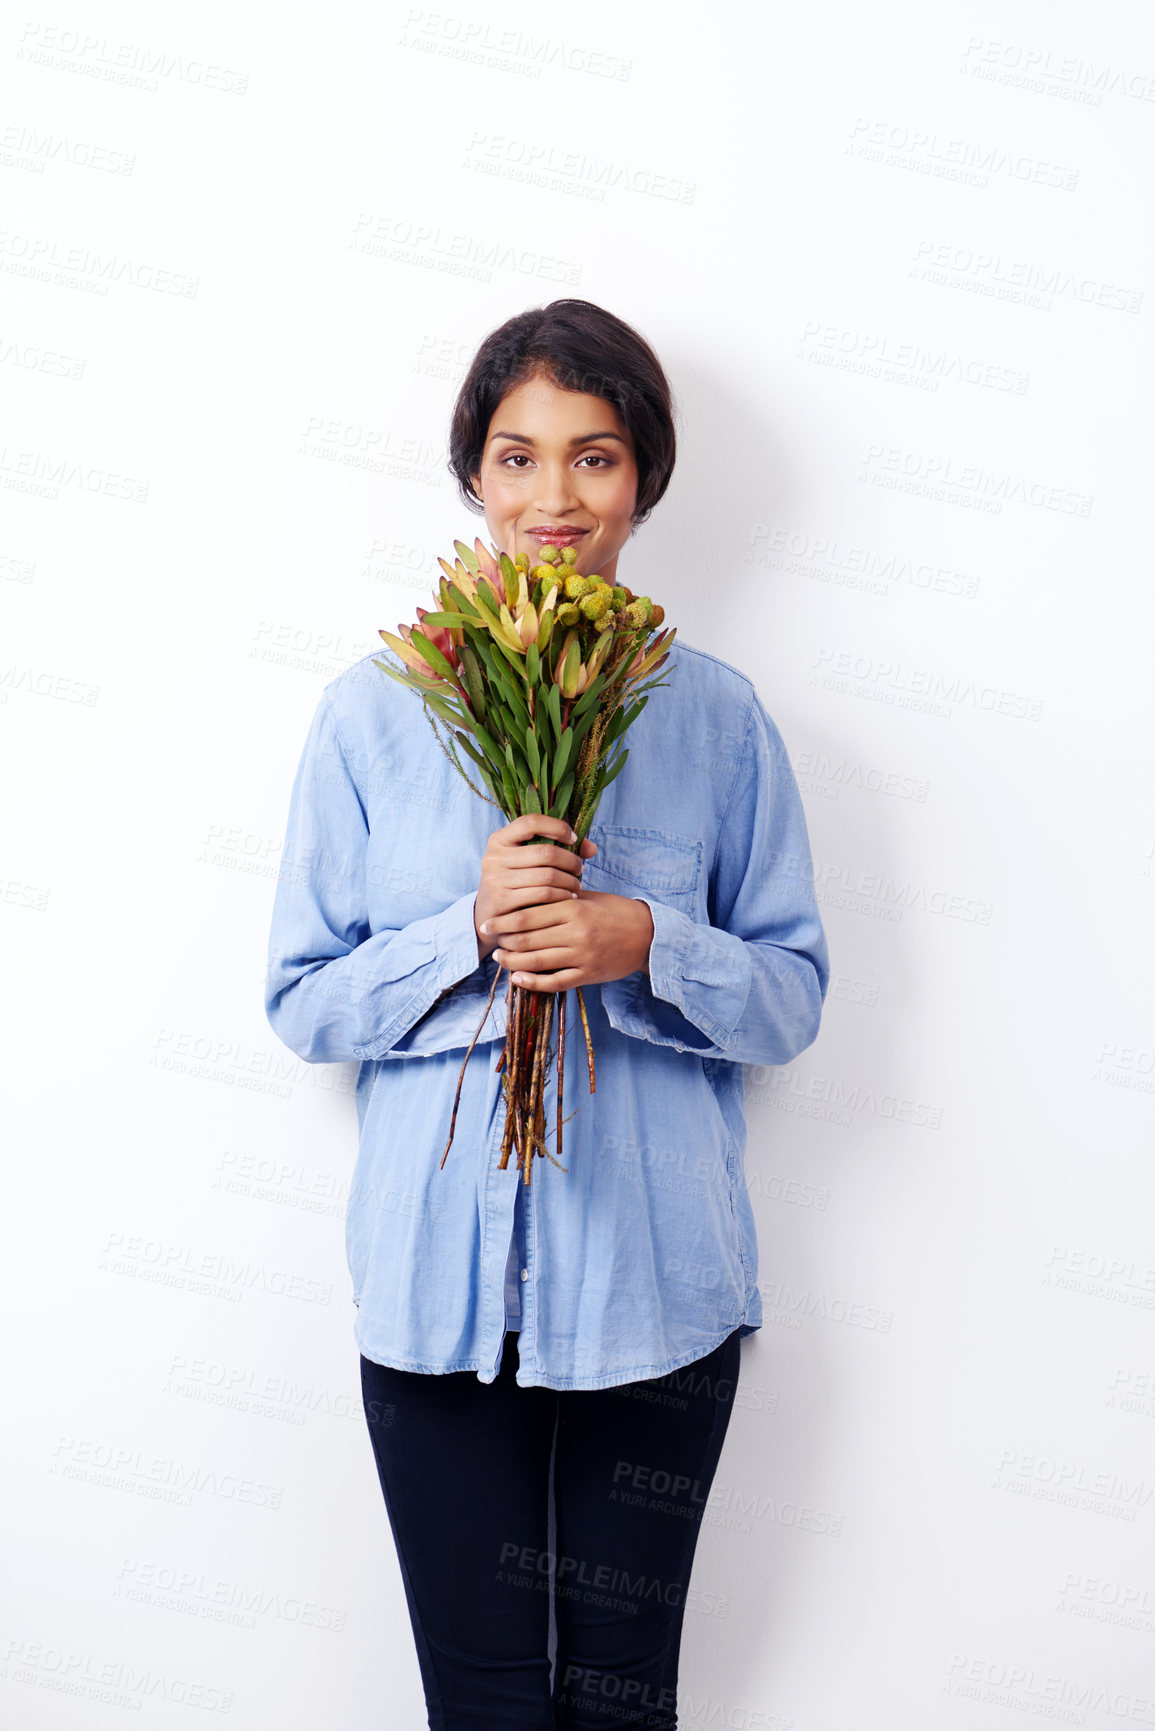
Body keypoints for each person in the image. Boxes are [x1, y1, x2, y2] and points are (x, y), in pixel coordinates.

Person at [264, 299, 830, 1729]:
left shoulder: (717, 720)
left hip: (664, 1293)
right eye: (516, 459)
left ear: (643, 479)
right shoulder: (372, 716)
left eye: (595, 457)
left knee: (625, 1701)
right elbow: (304, 1001)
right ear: (473, 478)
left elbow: (790, 1001)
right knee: (487, 1705)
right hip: (432, 1305)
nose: (555, 498)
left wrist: (642, 939)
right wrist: (467, 929)